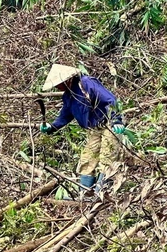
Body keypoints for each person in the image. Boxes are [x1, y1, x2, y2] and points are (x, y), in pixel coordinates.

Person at [39, 64, 126, 193]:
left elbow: (110, 100)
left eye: (59, 83)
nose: (58, 87)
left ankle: (102, 192)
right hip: (94, 128)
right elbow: (65, 115)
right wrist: (52, 127)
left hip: (108, 122)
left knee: (108, 156)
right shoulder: (68, 96)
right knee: (87, 159)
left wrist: (116, 119)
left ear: (67, 79)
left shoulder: (86, 83)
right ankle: (85, 192)